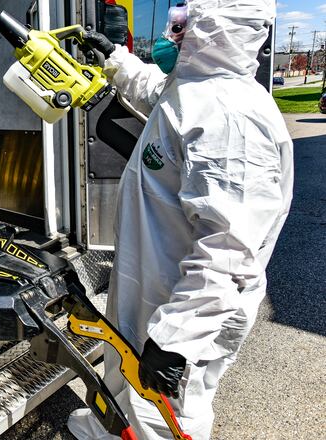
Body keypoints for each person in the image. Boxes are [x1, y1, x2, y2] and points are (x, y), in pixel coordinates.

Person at [67, 0, 293, 438]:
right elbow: (157, 91)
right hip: (155, 280)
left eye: (182, 24)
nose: (172, 34)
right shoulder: (196, 89)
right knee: (126, 365)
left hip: (185, 302)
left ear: (215, 28)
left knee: (167, 407)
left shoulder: (231, 120)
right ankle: (111, 429)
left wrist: (178, 338)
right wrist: (114, 56)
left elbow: (228, 249)